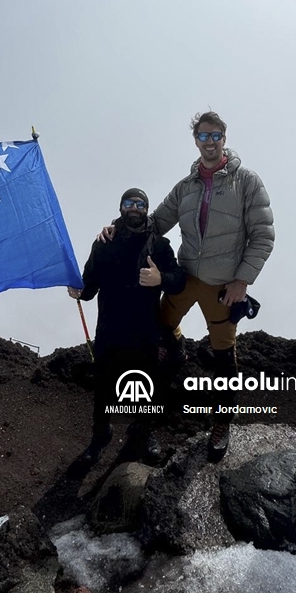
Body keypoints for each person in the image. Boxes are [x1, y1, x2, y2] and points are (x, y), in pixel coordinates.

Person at [101, 111, 274, 461]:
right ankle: (177, 349)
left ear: (224, 138)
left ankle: (221, 425)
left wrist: (242, 280)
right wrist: (117, 228)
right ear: (195, 140)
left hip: (222, 286)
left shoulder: (247, 182)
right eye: (203, 136)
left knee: (224, 358)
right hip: (185, 277)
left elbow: (264, 235)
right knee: (160, 328)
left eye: (215, 136)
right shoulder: (186, 187)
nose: (209, 142)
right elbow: (156, 222)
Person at [68, 188, 186, 464]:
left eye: (140, 203)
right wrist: (79, 290)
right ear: (121, 207)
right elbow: (90, 285)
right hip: (109, 329)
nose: (134, 207)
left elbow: (179, 280)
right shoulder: (104, 242)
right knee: (103, 387)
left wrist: (160, 279)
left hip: (146, 331)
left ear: (147, 209)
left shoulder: (159, 244)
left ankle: (144, 433)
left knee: (146, 386)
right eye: (129, 203)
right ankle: (101, 435)